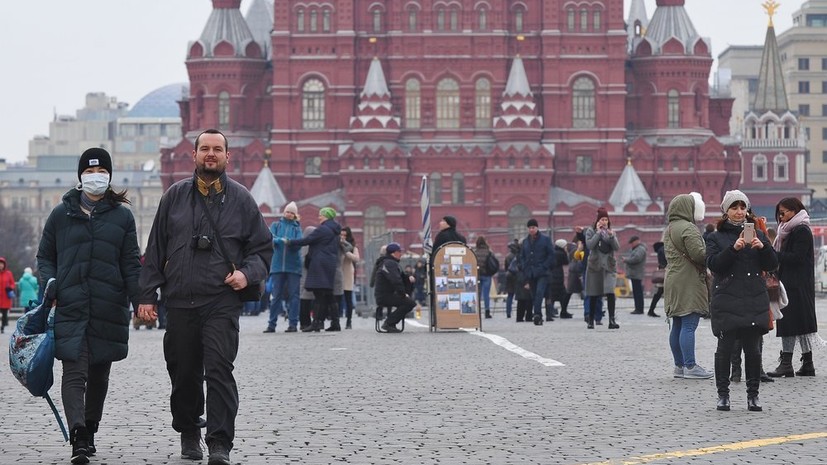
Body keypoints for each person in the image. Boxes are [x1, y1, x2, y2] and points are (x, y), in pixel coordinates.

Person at [137, 129, 272, 465]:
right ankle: (188, 429)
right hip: (180, 300)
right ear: (193, 155)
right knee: (183, 372)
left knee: (219, 370)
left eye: (217, 149)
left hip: (220, 300)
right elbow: (155, 250)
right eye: (205, 149)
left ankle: (219, 443)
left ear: (228, 157)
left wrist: (247, 274)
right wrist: (146, 296)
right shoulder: (174, 197)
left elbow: (262, 248)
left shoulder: (241, 199)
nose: (211, 154)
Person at [37, 147, 142, 463]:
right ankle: (79, 436)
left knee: (99, 375)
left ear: (109, 176)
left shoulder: (123, 217)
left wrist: (142, 301)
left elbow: (131, 264)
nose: (95, 177)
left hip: (109, 306)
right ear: (80, 176)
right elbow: (45, 256)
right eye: (90, 172)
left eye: (101, 172)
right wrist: (50, 283)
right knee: (74, 371)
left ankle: (91, 427)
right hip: (71, 305)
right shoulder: (61, 214)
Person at [706, 190, 778, 412]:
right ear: (726, 211)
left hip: (753, 298)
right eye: (734, 208)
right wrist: (733, 248)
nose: (739, 212)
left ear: (747, 210)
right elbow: (714, 265)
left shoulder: (759, 234)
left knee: (753, 351)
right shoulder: (715, 237)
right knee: (725, 349)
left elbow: (772, 264)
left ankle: (753, 396)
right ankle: (723, 395)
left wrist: (763, 247)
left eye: (742, 207)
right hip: (727, 299)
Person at [662, 193, 712, 380]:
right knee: (689, 324)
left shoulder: (670, 228)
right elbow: (699, 255)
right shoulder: (689, 228)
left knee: (677, 324)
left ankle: (679, 366)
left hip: (673, 279)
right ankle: (691, 366)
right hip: (688, 281)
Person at [767, 197, 818, 378]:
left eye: (783, 213)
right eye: (779, 214)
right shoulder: (790, 230)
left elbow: (798, 258)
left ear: (794, 210)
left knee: (790, 323)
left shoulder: (800, 230)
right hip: (795, 282)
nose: (781, 218)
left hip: (796, 284)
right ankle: (808, 363)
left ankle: (787, 363)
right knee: (801, 323)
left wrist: (776, 255)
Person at [287, 207, 342, 332]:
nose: (319, 217)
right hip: (329, 263)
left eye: (321, 215)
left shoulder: (323, 229)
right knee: (328, 294)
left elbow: (307, 240)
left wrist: (290, 242)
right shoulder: (335, 231)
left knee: (319, 294)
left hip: (320, 263)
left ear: (327, 216)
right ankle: (335, 322)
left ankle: (316, 322)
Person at [265, 201, 303, 333]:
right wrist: (281, 240)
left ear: (295, 215)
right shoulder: (276, 225)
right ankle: (271, 324)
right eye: (288, 211)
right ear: (284, 212)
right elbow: (269, 237)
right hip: (277, 266)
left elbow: (299, 243)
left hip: (294, 267)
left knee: (294, 296)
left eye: (292, 213)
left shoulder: (297, 228)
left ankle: (293, 324)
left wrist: (290, 242)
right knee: (276, 296)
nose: (289, 214)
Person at [584, 208, 620, 329]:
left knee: (610, 292)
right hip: (595, 266)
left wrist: (611, 236)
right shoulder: (591, 231)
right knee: (594, 294)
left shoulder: (611, 232)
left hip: (609, 266)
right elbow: (590, 245)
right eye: (602, 219)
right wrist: (598, 233)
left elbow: (616, 247)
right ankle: (591, 320)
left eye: (606, 219)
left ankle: (612, 320)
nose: (604, 222)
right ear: (598, 220)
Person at [375, 242, 417, 333]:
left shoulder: (390, 262)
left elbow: (400, 276)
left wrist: (408, 277)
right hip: (385, 296)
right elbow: (395, 280)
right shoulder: (390, 263)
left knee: (408, 302)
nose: (401, 253)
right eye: (399, 251)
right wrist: (403, 294)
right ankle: (389, 323)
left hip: (387, 294)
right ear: (393, 253)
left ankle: (391, 323)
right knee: (410, 303)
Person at [520, 219, 555, 326]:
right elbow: (522, 256)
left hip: (542, 272)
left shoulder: (545, 240)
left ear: (537, 228)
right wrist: (524, 267)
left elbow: (551, 255)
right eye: (530, 228)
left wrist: (544, 266)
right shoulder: (525, 242)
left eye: (533, 227)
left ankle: (537, 315)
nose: (531, 230)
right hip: (530, 273)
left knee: (540, 293)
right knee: (534, 294)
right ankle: (538, 316)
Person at [624, 236, 652, 316]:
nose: (631, 245)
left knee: (638, 292)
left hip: (637, 273)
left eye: (632, 243)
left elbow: (636, 259)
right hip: (635, 273)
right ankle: (638, 308)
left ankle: (639, 309)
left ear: (637, 241)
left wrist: (626, 260)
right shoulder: (638, 249)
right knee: (637, 292)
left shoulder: (640, 249)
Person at [340, 227, 361, 329]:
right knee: (336, 299)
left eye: (345, 235)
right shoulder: (336, 246)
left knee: (348, 299)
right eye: (341, 235)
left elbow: (356, 259)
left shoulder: (353, 247)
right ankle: (335, 320)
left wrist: (347, 252)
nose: (343, 237)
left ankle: (349, 321)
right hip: (337, 274)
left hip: (348, 274)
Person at [547, 239, 573, 319]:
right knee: (562, 295)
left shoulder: (553, 252)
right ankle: (563, 311)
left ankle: (551, 312)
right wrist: (566, 253)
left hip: (552, 275)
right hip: (557, 276)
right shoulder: (561, 253)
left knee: (552, 296)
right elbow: (566, 262)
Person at [473, 236, 495, 319]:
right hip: (487, 275)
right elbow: (494, 262)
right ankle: (487, 311)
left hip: (477, 275)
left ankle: (477, 311)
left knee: (477, 294)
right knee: (486, 294)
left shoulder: (474, 252)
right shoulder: (489, 252)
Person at [647, 242, 666, 316]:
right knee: (661, 292)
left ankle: (651, 310)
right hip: (665, 273)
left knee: (659, 292)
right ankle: (651, 310)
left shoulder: (660, 250)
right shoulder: (664, 249)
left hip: (662, 272)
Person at [503, 240, 521, 319]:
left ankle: (508, 312)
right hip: (518, 276)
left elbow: (506, 267)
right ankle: (521, 311)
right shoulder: (519, 256)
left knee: (510, 295)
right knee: (521, 295)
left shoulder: (508, 256)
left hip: (509, 276)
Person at [0, 257, 15, 334]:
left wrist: (10, 287)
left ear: (4, 265)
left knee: (4, 314)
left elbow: (13, 284)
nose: (0, 265)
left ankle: (2, 327)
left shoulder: (8, 273)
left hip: (6, 297)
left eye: (2, 264)